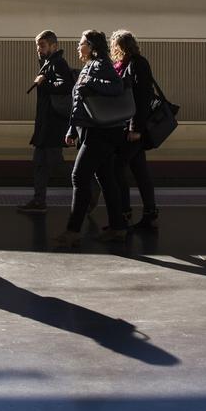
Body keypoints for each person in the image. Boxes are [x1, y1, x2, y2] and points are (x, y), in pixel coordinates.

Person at [50, 30, 127, 249]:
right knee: (105, 178)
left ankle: (73, 231)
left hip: (100, 131)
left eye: (81, 43)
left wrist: (91, 83)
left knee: (79, 177)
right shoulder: (90, 66)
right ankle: (118, 227)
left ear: (92, 46)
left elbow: (116, 87)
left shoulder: (101, 64)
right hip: (94, 129)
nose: (78, 47)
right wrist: (73, 129)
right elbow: (80, 101)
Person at [17, 30, 73, 215]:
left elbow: (66, 85)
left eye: (42, 46)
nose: (39, 49)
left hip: (53, 123)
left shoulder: (59, 63)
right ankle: (39, 200)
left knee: (55, 163)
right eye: (37, 46)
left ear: (53, 46)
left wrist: (44, 82)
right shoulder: (48, 63)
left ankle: (90, 184)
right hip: (45, 123)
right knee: (39, 163)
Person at [110, 30, 159, 231]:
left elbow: (141, 97)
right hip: (125, 127)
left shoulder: (138, 64)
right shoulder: (123, 65)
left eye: (115, 46)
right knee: (139, 171)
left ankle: (125, 213)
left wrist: (135, 128)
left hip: (133, 128)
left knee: (117, 167)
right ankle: (149, 213)